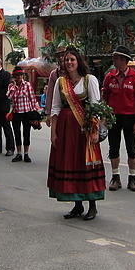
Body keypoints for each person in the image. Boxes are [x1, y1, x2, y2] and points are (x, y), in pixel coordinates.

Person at [48, 47, 105, 220]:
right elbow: (56, 107)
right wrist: (53, 133)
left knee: (86, 163)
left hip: (84, 127)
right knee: (71, 163)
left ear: (78, 61)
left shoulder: (90, 80)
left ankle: (92, 205)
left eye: (72, 59)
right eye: (67, 60)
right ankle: (77, 204)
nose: (69, 63)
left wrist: (94, 130)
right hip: (66, 129)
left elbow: (95, 107)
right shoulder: (61, 82)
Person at [102, 46, 135, 192]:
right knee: (113, 148)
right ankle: (115, 177)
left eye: (116, 58)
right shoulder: (109, 76)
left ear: (123, 59)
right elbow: (105, 98)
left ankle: (132, 178)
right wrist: (104, 117)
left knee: (131, 149)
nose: (114, 60)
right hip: (113, 117)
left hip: (130, 117)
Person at [7, 66, 40, 162]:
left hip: (27, 111)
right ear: (14, 77)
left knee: (26, 133)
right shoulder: (11, 86)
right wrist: (13, 87)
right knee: (17, 133)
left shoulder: (27, 85)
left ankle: (26, 153)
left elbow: (32, 98)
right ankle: (18, 153)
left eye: (21, 75)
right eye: (17, 75)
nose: (19, 77)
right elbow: (9, 97)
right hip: (16, 112)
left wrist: (35, 111)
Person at [44, 46, 67, 128]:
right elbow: (49, 94)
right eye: (59, 56)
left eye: (63, 55)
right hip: (58, 110)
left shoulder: (76, 72)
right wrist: (48, 113)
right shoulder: (54, 74)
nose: (61, 58)